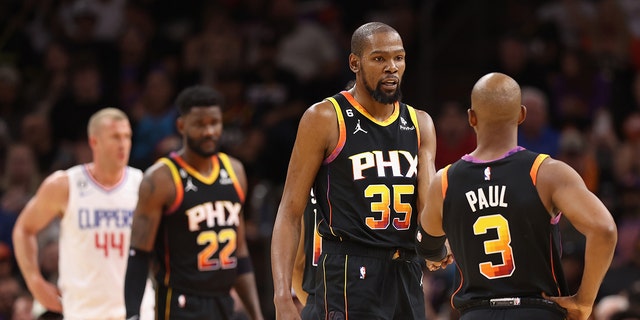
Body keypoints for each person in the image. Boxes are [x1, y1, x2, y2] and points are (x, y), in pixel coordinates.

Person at [416, 72, 618, 320]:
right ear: (522, 114)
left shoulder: (444, 181)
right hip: (537, 311)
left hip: (476, 313)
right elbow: (605, 230)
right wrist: (584, 300)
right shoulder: (546, 172)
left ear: (471, 117)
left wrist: (440, 252)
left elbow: (427, 245)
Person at [272, 22, 437, 319]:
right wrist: (282, 296)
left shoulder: (420, 123)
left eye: (398, 58)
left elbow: (428, 208)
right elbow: (290, 211)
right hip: (348, 268)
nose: (391, 67)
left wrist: (441, 241)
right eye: (379, 58)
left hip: (406, 270)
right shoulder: (324, 117)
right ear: (354, 63)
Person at [124, 85, 263, 320]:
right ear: (181, 126)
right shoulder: (161, 178)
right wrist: (132, 315)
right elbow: (138, 253)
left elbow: (239, 254)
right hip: (180, 303)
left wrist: (256, 315)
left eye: (215, 123)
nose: (209, 131)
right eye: (200, 124)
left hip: (224, 302)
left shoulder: (235, 171)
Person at [12, 108, 154, 319]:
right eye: (115, 137)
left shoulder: (144, 185)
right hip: (84, 312)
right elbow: (24, 229)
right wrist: (34, 281)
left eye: (127, 137)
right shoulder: (65, 185)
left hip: (137, 310)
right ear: (94, 141)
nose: (123, 144)